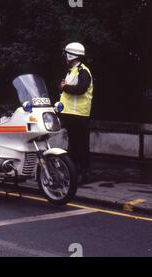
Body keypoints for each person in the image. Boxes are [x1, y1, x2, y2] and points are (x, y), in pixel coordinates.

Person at [59, 42, 94, 185]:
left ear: (70, 55)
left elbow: (81, 89)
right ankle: (73, 173)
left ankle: (83, 174)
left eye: (65, 55)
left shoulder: (83, 71)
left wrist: (65, 87)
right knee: (73, 145)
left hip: (79, 114)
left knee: (81, 145)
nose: (64, 58)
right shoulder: (72, 71)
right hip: (70, 113)